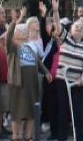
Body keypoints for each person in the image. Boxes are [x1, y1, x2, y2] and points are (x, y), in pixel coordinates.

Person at [52, 0, 83, 141]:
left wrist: (82, 79)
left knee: (78, 112)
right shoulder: (66, 39)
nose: (79, 29)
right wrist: (56, 10)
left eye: (82, 28)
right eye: (76, 27)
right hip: (62, 80)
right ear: (71, 29)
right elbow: (57, 25)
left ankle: (79, 138)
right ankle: (62, 138)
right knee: (63, 111)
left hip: (78, 82)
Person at [6, 8, 53, 141]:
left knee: (31, 109)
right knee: (16, 109)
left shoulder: (29, 47)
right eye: (24, 31)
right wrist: (14, 22)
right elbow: (8, 37)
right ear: (17, 33)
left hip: (32, 82)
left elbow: (37, 62)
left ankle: (28, 135)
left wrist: (46, 72)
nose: (27, 32)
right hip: (17, 81)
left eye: (27, 31)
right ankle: (16, 135)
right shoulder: (12, 48)